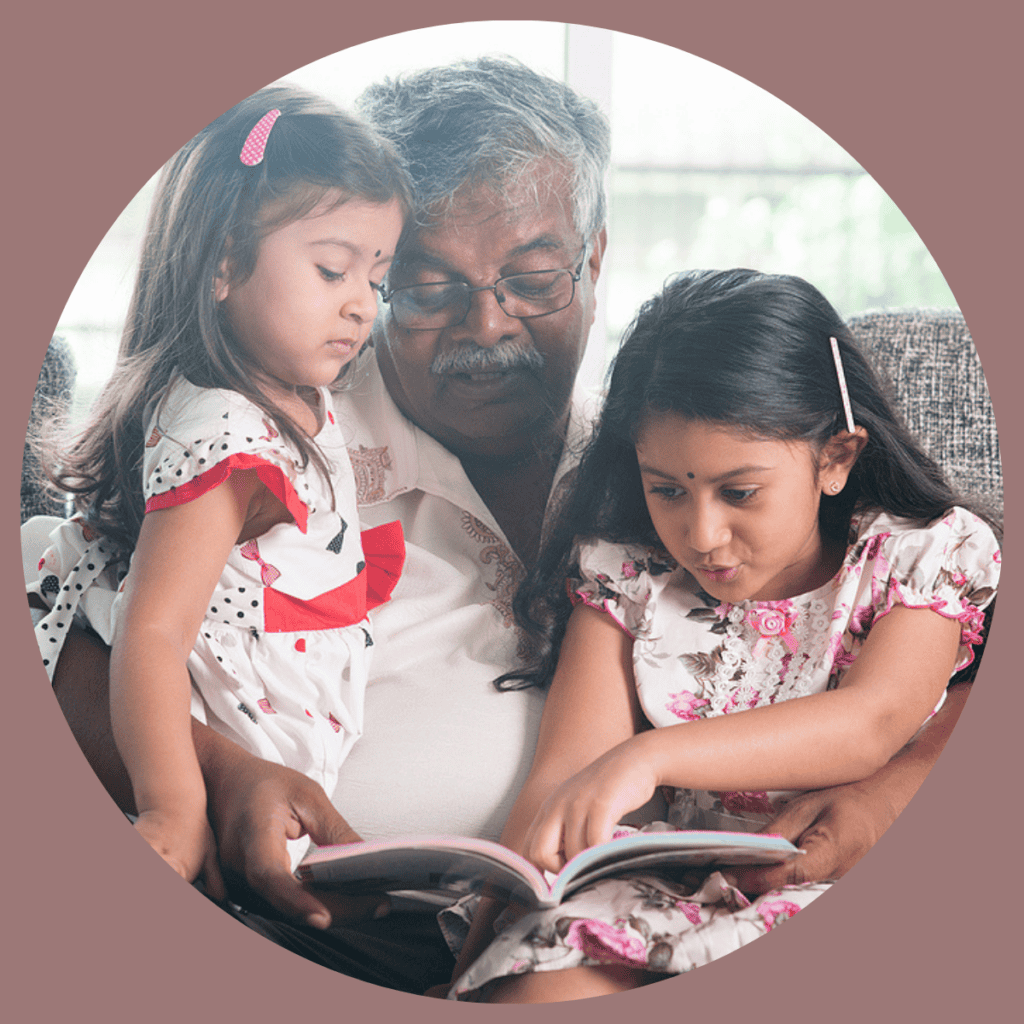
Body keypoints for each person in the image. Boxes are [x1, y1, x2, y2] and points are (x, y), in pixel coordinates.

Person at [24, 59, 987, 995]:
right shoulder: (273, 438)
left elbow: (924, 655)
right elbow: (67, 625)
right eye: (431, 289)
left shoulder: (665, 453)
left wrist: (892, 794)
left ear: (595, 258)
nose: (487, 327)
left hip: (655, 921)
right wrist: (224, 778)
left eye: (533, 279)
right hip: (344, 935)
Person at [439, 269, 1001, 1002]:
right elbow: (564, 779)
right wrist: (473, 958)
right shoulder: (627, 575)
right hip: (653, 893)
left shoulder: (915, 558)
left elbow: (872, 722)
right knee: (539, 982)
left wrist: (651, 756)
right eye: (666, 488)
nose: (700, 535)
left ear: (835, 458)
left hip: (825, 884)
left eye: (740, 493)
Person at [30, 85, 409, 886]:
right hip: (218, 721)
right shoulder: (229, 436)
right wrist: (172, 808)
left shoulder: (286, 392)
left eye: (378, 276)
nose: (361, 304)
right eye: (333, 268)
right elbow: (153, 631)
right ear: (226, 263)